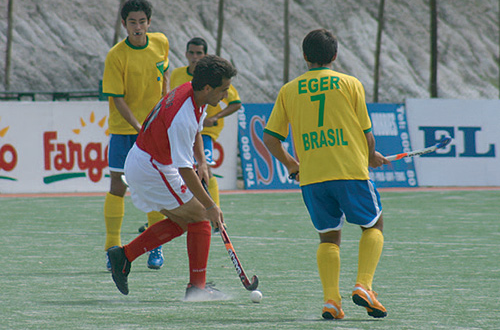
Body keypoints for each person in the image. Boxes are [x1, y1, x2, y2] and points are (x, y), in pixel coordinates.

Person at [263, 29, 390, 320]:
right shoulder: (350, 83)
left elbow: (270, 138)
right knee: (374, 225)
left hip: (312, 178)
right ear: (334, 56)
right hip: (349, 172)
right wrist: (371, 156)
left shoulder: (289, 89)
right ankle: (364, 286)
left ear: (305, 56)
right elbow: (367, 135)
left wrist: (293, 166)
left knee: (329, 238)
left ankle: (332, 301)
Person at [107, 55, 237, 301]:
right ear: (208, 87)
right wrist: (210, 206)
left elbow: (199, 130)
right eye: (223, 90)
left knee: (186, 222)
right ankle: (196, 288)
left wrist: (203, 161)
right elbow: (184, 169)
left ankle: (123, 256)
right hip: (152, 168)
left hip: (147, 161)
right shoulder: (182, 116)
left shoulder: (193, 91)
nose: (225, 96)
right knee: (199, 216)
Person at [101, 0, 168, 271]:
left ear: (149, 23)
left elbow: (164, 76)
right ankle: (111, 247)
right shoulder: (116, 56)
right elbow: (118, 99)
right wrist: (139, 127)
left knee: (153, 187)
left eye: (142, 22)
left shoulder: (161, 43)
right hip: (124, 130)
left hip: (153, 129)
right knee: (118, 186)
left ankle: (155, 246)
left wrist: (162, 114)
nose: (137, 27)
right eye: (132, 22)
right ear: (124, 25)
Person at [170, 37, 241, 207]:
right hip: (183, 129)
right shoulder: (177, 74)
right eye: (192, 53)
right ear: (186, 54)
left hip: (205, 133)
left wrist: (215, 117)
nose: (195, 57)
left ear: (205, 55)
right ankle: (168, 211)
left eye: (199, 53)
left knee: (205, 169)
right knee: (172, 171)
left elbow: (236, 103)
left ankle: (213, 212)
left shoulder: (215, 78)